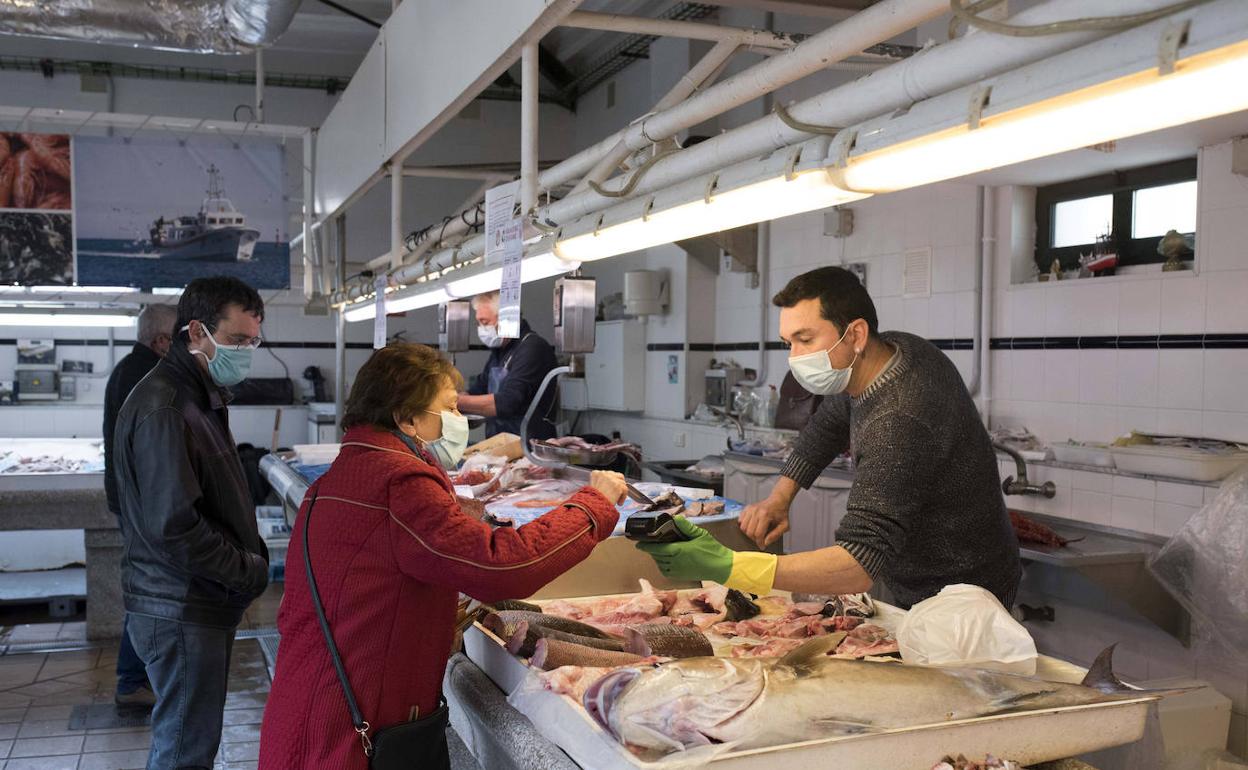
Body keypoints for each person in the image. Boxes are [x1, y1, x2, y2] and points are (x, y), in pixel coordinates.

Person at [258, 343, 625, 769]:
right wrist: (593, 505)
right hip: (348, 734)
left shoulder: (346, 473)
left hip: (312, 705)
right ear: (406, 417)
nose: (459, 422)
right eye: (449, 408)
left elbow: (375, 579)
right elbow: (504, 566)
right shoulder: (399, 482)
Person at [639, 266, 1021, 610]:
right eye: (788, 342)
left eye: (805, 339)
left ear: (855, 334)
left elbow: (857, 563)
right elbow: (828, 424)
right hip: (920, 576)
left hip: (965, 591)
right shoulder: (894, 350)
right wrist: (779, 499)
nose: (795, 357)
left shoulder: (899, 419)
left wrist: (731, 566)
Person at [113, 276, 270, 769]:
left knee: (189, 743)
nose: (246, 352)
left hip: (190, 600)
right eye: (237, 341)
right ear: (196, 331)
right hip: (179, 605)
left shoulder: (198, 393)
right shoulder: (167, 405)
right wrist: (248, 570)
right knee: (184, 750)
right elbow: (174, 527)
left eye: (253, 341)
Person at [103, 302, 177, 708]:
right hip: (141, 504)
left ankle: (136, 677)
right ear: (162, 340)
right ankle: (132, 680)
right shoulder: (146, 376)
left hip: (134, 500)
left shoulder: (129, 369)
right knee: (148, 592)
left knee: (147, 588)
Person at [457, 290, 559, 441]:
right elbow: (478, 389)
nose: (481, 329)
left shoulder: (532, 347)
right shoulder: (500, 350)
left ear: (507, 319)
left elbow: (506, 403)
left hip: (529, 446)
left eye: (485, 322)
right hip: (500, 443)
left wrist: (454, 400)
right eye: (478, 323)